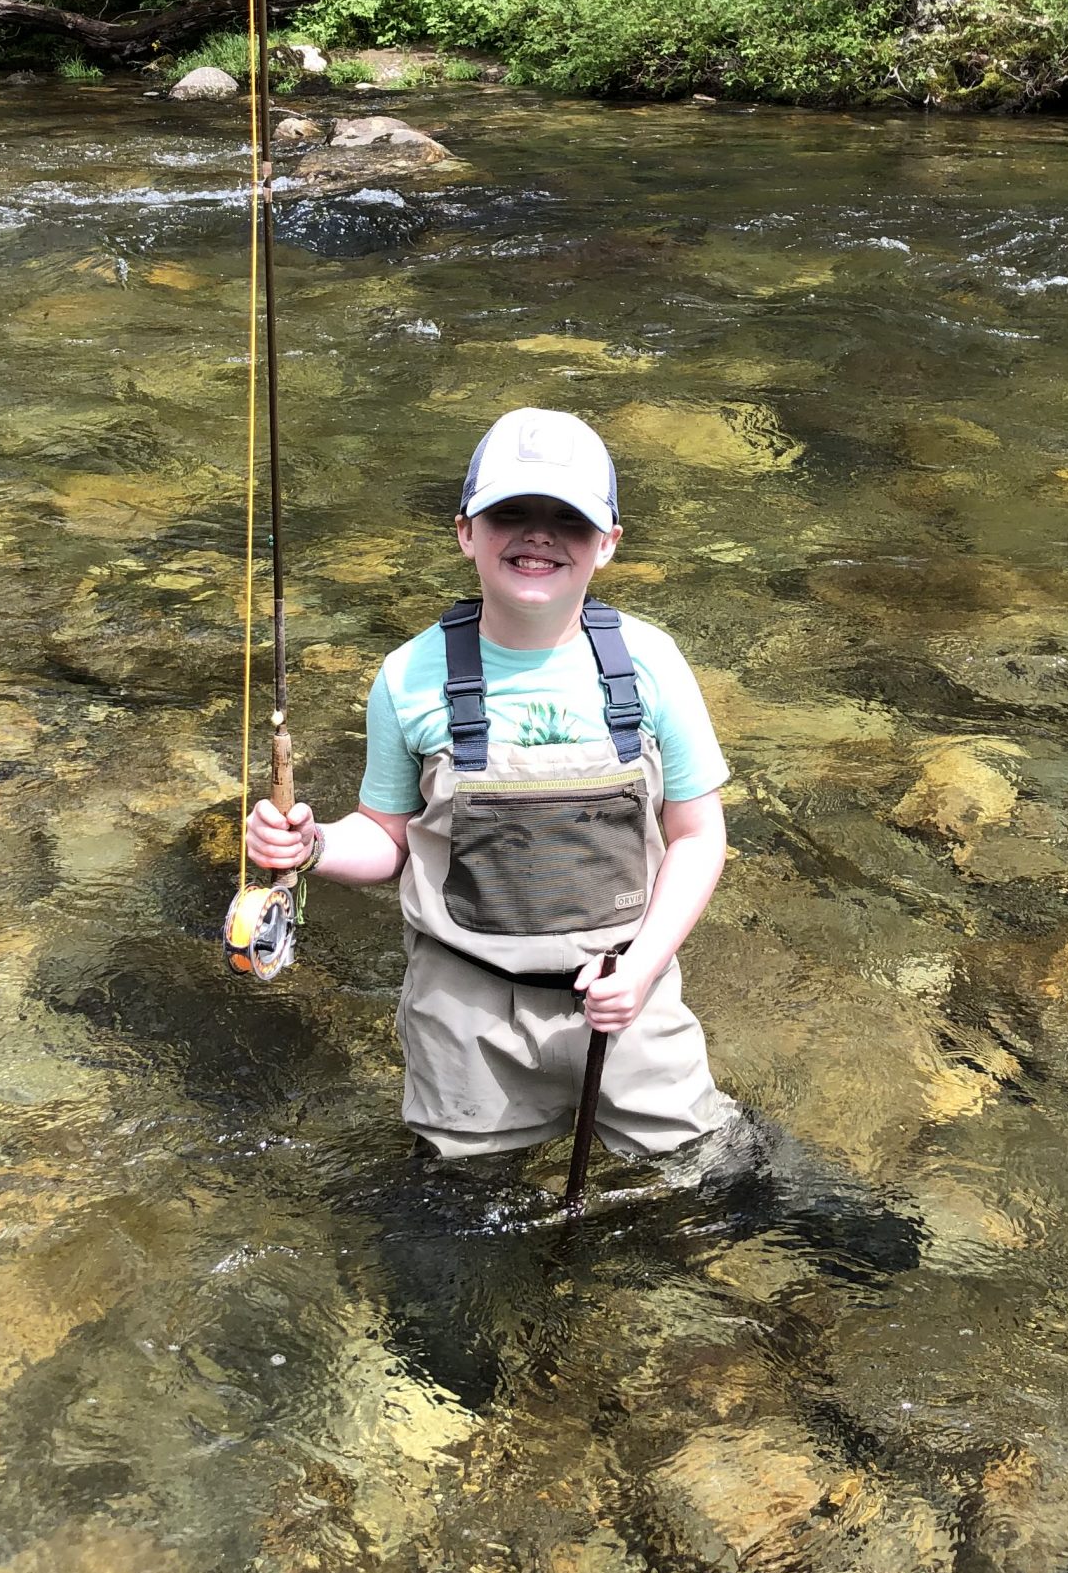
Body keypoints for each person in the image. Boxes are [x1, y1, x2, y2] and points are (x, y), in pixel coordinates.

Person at [247, 406, 736, 1166]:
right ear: (465, 533)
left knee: (709, 1175)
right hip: (463, 1011)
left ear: (608, 543)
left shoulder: (652, 665)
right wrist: (310, 846)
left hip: (627, 992)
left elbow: (698, 837)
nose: (538, 537)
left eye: (569, 520)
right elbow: (387, 837)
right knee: (462, 1207)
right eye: (510, 514)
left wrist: (643, 968)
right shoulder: (409, 677)